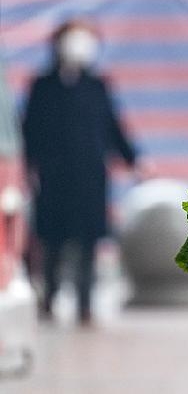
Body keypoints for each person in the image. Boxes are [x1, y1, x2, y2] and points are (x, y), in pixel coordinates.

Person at [21, 20, 138, 325]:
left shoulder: (97, 84)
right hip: (53, 177)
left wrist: (133, 158)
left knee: (88, 243)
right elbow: (29, 130)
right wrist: (27, 167)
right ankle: (49, 299)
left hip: (90, 177)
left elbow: (113, 128)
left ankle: (85, 304)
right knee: (52, 240)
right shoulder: (42, 85)